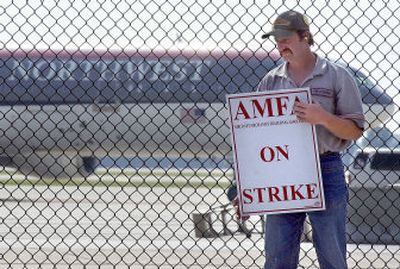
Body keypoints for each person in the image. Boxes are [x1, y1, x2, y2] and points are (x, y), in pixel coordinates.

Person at [231, 10, 365, 269]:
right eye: (277, 40)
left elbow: (355, 130)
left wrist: (323, 117)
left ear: (305, 37)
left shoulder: (337, 75)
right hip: (282, 174)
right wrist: (248, 189)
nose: (281, 45)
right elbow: (255, 140)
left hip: (325, 168)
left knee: (332, 257)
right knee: (278, 257)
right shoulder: (271, 81)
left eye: (286, 38)